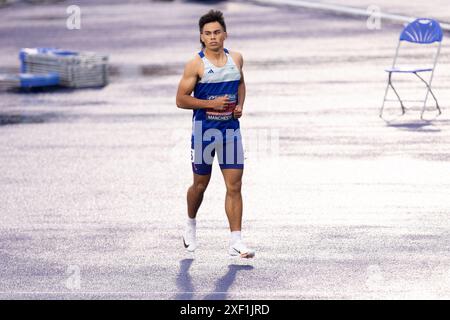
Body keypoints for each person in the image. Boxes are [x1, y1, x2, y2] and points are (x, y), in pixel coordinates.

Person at [176, 9, 255, 258]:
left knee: (235, 185)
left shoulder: (237, 59)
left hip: (230, 131)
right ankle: (190, 223)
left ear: (225, 34)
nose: (213, 37)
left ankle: (236, 241)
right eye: (208, 34)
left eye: (217, 32)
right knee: (200, 186)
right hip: (204, 133)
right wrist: (211, 104)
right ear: (201, 36)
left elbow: (240, 84)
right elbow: (180, 100)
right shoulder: (196, 64)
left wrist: (240, 105)